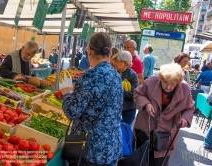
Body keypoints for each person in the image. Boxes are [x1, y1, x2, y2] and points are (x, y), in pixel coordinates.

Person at [60, 32, 123, 166]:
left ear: (89, 51)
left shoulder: (91, 75)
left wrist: (66, 93)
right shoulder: (116, 75)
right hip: (111, 145)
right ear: (110, 53)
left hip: (90, 148)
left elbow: (72, 112)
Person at [133, 63, 194, 166]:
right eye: (165, 82)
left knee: (160, 162)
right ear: (160, 78)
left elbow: (189, 108)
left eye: (173, 84)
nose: (169, 87)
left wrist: (184, 118)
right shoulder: (151, 81)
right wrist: (146, 104)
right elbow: (137, 94)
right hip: (145, 128)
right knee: (140, 160)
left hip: (166, 133)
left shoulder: (185, 88)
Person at [111, 51, 138, 125]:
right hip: (114, 109)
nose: (115, 63)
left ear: (125, 63)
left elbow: (134, 95)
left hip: (128, 110)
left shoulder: (132, 75)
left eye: (117, 61)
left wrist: (118, 90)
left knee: (124, 132)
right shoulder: (113, 72)